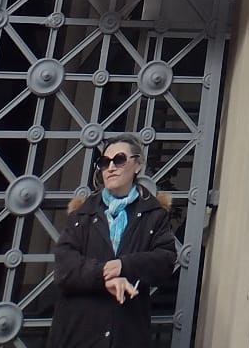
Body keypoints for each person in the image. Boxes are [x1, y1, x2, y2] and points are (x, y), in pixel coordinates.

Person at [51, 135, 178, 348]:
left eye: (119, 160)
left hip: (126, 332)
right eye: (104, 162)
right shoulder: (82, 214)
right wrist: (102, 274)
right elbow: (65, 266)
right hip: (79, 333)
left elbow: (165, 260)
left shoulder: (153, 214)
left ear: (137, 165)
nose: (110, 167)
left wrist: (124, 265)